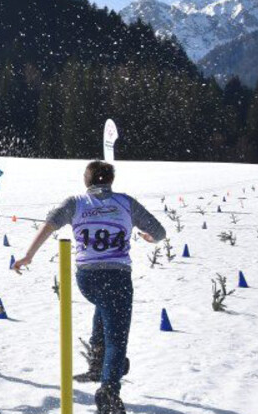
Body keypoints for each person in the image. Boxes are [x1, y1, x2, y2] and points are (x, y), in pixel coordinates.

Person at [11, 160, 166, 414]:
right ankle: (109, 391)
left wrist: (28, 256)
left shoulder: (75, 202)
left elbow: (49, 226)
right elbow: (159, 232)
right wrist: (149, 238)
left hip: (87, 279)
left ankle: (97, 356)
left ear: (87, 181)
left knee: (105, 306)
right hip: (116, 276)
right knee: (117, 339)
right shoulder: (126, 202)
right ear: (111, 181)